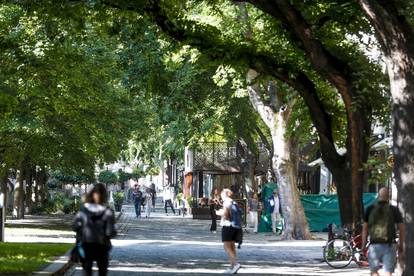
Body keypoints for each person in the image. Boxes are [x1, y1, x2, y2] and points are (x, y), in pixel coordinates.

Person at [73, 183, 117, 276]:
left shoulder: (83, 209)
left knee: (87, 270)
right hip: (102, 246)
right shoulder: (108, 212)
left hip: (86, 244)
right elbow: (110, 232)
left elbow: (75, 226)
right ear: (104, 195)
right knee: (102, 271)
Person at [362, 187, 405, 276]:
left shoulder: (370, 209)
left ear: (378, 196)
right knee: (388, 272)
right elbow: (401, 229)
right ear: (388, 197)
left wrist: (363, 244)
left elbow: (365, 228)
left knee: (373, 271)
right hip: (390, 244)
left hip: (374, 245)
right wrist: (400, 245)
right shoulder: (393, 209)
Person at [216, 189, 242, 274]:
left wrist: (219, 213)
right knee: (232, 246)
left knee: (226, 246)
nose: (221, 196)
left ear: (225, 195)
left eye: (222, 195)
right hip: (235, 226)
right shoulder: (234, 202)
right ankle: (232, 266)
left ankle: (235, 264)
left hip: (227, 225)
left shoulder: (226, 202)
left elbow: (226, 214)